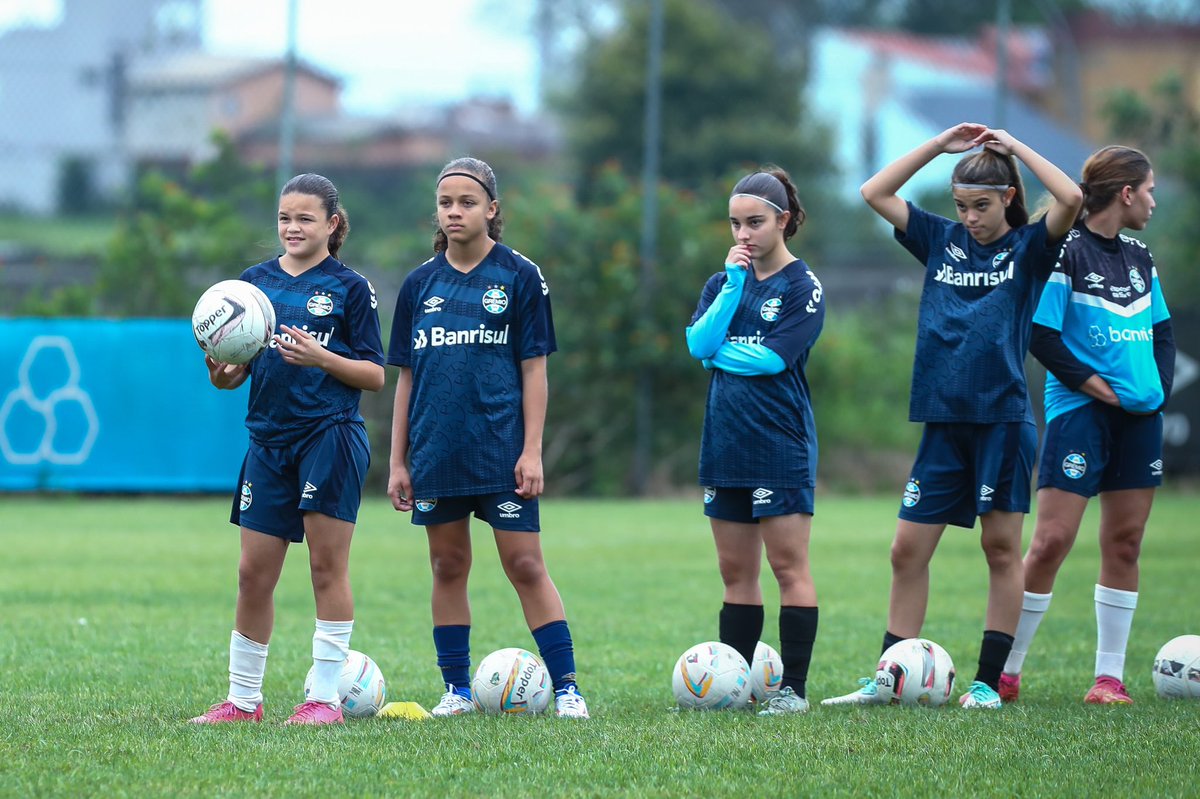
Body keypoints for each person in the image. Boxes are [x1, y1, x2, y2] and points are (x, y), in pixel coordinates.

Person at [821, 123, 1083, 710]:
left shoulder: (1028, 247)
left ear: (1008, 198)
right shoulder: (940, 240)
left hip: (1002, 421)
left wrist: (1014, 147)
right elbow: (874, 193)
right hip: (942, 422)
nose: (969, 217)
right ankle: (889, 676)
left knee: (999, 549)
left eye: (981, 206)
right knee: (905, 551)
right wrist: (938, 148)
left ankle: (989, 683)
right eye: (962, 205)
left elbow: (1070, 199)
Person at [386, 157, 589, 719]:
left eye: (467, 202)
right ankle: (455, 689)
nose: (455, 212)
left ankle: (567, 687)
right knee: (447, 566)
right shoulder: (419, 284)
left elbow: (534, 371)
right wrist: (398, 461)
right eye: (446, 202)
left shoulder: (520, 276)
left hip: (501, 451)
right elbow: (405, 378)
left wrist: (532, 449)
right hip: (436, 451)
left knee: (525, 565)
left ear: (492, 210)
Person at [189, 173, 385, 726]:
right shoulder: (250, 287)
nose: (292, 227)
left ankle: (324, 701)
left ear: (332, 224)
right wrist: (221, 372)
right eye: (284, 218)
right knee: (253, 573)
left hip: (329, 436)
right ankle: (243, 701)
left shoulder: (350, 288)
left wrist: (322, 358)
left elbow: (374, 375)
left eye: (305, 218)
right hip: (268, 442)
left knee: (326, 568)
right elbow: (232, 378)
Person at [1000, 145, 1175, 705]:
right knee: (1051, 541)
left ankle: (1108, 680)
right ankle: (1006, 671)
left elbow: (1163, 333)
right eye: (1148, 189)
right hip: (1080, 414)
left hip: (1139, 420)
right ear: (1126, 193)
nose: (1153, 199)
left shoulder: (1140, 257)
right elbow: (1041, 334)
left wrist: (1155, 390)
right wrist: (1096, 388)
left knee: (1124, 544)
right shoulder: (1066, 254)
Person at [685, 167, 825, 715]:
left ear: (783, 221)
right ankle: (736, 685)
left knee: (789, 569)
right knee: (735, 573)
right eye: (736, 224)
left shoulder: (802, 287)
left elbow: (771, 359)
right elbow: (698, 340)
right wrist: (735, 288)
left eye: (755, 223)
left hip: (780, 445)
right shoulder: (723, 283)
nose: (743, 235)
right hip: (725, 445)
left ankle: (794, 690)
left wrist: (715, 353)